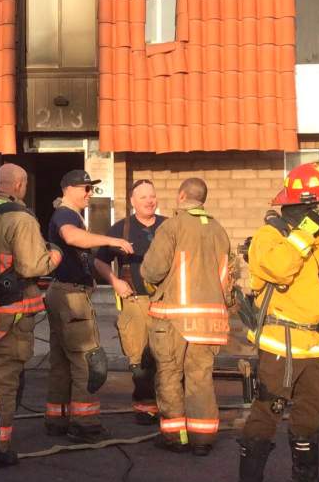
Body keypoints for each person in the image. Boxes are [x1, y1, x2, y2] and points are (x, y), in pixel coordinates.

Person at [238, 160, 319, 482]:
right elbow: (278, 269)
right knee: (266, 415)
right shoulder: (269, 236)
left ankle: (305, 479)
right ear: (308, 206)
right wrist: (306, 231)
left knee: (311, 416)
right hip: (281, 346)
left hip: (317, 345)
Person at [0, 163, 62, 469]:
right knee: (3, 385)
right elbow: (32, 266)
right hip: (10, 318)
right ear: (19, 185)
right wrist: (55, 254)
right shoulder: (20, 218)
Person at [139, 177, 233, 455]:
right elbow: (226, 278)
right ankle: (202, 439)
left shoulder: (173, 226)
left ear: (181, 196)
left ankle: (175, 437)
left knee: (169, 374)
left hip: (174, 319)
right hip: (209, 320)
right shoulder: (218, 230)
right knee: (200, 376)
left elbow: (153, 270)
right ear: (203, 199)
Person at [44, 170, 133, 442]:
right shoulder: (66, 215)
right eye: (85, 188)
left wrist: (112, 280)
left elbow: (87, 259)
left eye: (90, 188)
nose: (89, 194)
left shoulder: (71, 215)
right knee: (87, 360)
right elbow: (73, 238)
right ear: (68, 188)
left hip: (61, 293)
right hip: (71, 297)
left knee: (61, 361)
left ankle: (57, 419)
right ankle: (85, 424)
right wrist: (112, 239)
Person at [93, 179, 165, 425]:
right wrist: (115, 282)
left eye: (152, 196)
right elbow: (99, 261)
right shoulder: (120, 229)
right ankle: (146, 408)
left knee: (168, 357)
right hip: (135, 301)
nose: (149, 201)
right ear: (133, 202)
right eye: (143, 197)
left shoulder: (170, 226)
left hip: (167, 301)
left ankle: (170, 405)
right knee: (140, 359)